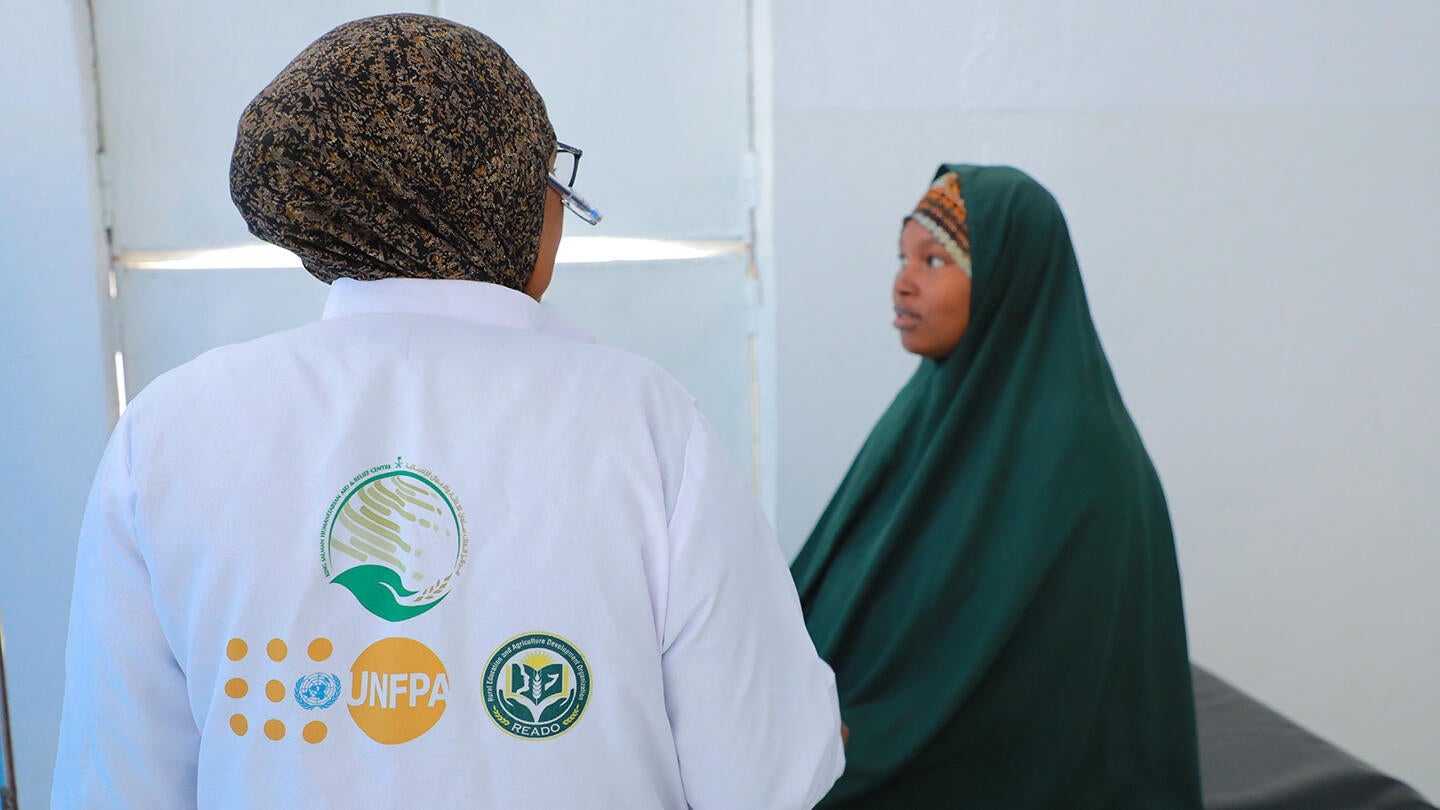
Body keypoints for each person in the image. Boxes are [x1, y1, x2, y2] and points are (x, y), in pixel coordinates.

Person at [53, 14, 843, 809]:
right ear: (501, 190)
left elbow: (115, 780)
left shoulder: (170, 431)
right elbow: (767, 773)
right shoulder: (645, 423)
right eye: (548, 173)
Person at [789, 165, 1202, 808]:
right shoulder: (932, 405)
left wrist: (852, 744)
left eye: (934, 260)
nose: (902, 282)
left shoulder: (1082, 458)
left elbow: (1026, 697)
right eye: (903, 256)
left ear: (1012, 275)